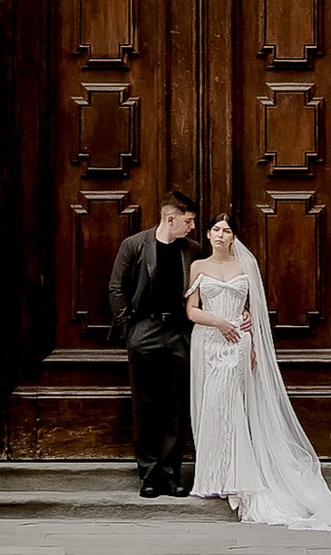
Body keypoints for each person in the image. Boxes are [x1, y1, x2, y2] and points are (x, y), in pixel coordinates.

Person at [186, 215, 331, 529]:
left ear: (234, 237)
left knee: (235, 405)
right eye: (215, 230)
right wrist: (219, 322)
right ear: (208, 235)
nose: (220, 235)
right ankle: (215, 475)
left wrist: (252, 343)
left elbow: (254, 310)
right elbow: (191, 310)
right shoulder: (198, 266)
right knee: (213, 405)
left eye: (226, 230)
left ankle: (238, 475)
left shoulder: (245, 267)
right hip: (210, 341)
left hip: (238, 342)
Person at [108, 193, 200, 498]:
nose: (192, 227)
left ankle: (172, 475)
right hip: (144, 330)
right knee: (145, 406)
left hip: (178, 333)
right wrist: (130, 330)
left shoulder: (192, 250)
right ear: (170, 218)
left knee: (176, 407)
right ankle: (148, 475)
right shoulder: (134, 245)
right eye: (188, 221)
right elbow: (116, 288)